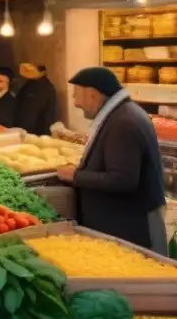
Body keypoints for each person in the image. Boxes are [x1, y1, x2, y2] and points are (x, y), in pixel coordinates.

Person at [58, 67, 166, 253]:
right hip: (123, 225)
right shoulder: (122, 113)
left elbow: (123, 179)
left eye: (76, 95)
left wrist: (76, 176)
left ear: (92, 95)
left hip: (131, 230)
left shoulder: (123, 122)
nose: (75, 103)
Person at [15, 63, 58, 136]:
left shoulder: (44, 87)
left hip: (35, 130)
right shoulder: (30, 83)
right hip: (26, 128)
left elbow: (36, 110)